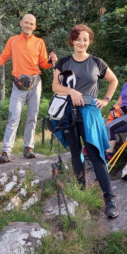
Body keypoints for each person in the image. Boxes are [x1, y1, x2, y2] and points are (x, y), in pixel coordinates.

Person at [52, 24, 120, 218]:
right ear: (72, 40)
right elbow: (55, 86)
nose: (81, 42)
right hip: (68, 113)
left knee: (96, 153)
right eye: (78, 38)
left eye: (85, 39)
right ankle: (82, 192)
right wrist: (71, 91)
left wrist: (106, 100)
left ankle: (109, 198)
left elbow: (113, 80)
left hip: (90, 113)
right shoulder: (63, 62)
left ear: (89, 42)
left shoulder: (97, 62)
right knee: (75, 152)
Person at [0, 14, 57, 163]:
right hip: (18, 84)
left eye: (31, 24)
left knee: (32, 117)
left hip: (35, 83)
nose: (28, 26)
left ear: (35, 26)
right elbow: (4, 56)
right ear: (21, 23)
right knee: (14, 117)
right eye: (26, 23)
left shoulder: (39, 42)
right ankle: (6, 151)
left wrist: (51, 62)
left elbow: (43, 63)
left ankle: (28, 148)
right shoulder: (13, 41)